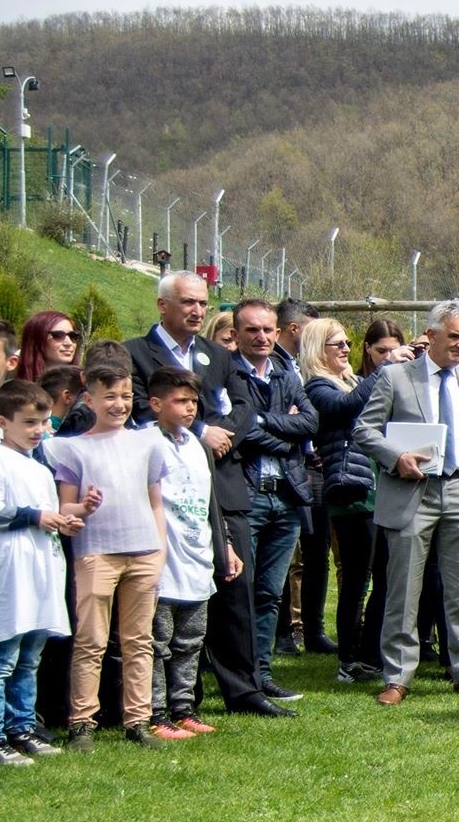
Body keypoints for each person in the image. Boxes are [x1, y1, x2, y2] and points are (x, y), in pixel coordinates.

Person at [125, 272, 284, 719]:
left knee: (236, 589)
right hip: (162, 493)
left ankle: (244, 690)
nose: (197, 310)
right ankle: (178, 699)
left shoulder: (216, 354)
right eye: (187, 302)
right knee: (171, 599)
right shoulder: (136, 353)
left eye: (202, 302)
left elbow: (244, 405)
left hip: (222, 484)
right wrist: (199, 429)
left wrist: (223, 434)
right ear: (163, 305)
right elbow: (139, 409)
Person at [353, 300, 459, 705]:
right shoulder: (396, 377)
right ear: (431, 335)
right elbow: (364, 430)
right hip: (411, 492)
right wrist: (395, 458)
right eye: (453, 337)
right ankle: (398, 676)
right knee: (403, 589)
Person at [47, 358, 171, 749]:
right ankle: (82, 721)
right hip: (96, 553)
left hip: (144, 550)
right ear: (90, 399)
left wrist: (160, 547)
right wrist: (84, 507)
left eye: (125, 396)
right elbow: (66, 509)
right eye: (110, 397)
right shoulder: (71, 448)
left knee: (139, 640)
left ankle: (139, 719)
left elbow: (155, 501)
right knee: (91, 640)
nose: (119, 404)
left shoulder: (148, 442)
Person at [144, 367, 239, 740]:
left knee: (191, 641)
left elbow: (211, 502)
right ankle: (155, 711)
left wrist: (224, 545)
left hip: (197, 556)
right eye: (180, 400)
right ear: (155, 403)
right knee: (158, 641)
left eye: (194, 401)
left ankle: (184, 707)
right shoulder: (147, 444)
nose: (189, 408)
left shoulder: (198, 446)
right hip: (162, 559)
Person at [230, 300, 317, 702]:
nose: (262, 337)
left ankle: (262, 674)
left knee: (270, 592)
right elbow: (240, 432)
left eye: (267, 330)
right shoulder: (228, 374)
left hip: (285, 496)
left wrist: (265, 421)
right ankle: (237, 674)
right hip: (246, 496)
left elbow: (311, 422)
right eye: (253, 330)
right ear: (237, 333)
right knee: (239, 590)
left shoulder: (286, 374)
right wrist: (283, 430)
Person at [0, 379, 81, 765]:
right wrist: (36, 517)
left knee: (30, 656)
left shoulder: (39, 464)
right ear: (2, 422)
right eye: (29, 422)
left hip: (41, 566)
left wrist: (66, 519)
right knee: (4, 657)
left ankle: (22, 727)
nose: (39, 431)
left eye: (44, 422)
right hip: (12, 569)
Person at [301, 318, 382, 684]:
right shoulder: (317, 386)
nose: (346, 349)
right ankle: (349, 659)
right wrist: (384, 369)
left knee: (381, 573)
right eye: (337, 344)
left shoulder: (352, 380)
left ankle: (371, 651)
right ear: (319, 349)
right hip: (350, 493)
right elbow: (346, 407)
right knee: (355, 578)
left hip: (376, 488)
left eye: (347, 342)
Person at [16, 311, 81, 381]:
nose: (69, 343)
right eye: (58, 335)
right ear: (37, 339)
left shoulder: (85, 385)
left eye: (73, 336)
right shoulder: (12, 387)